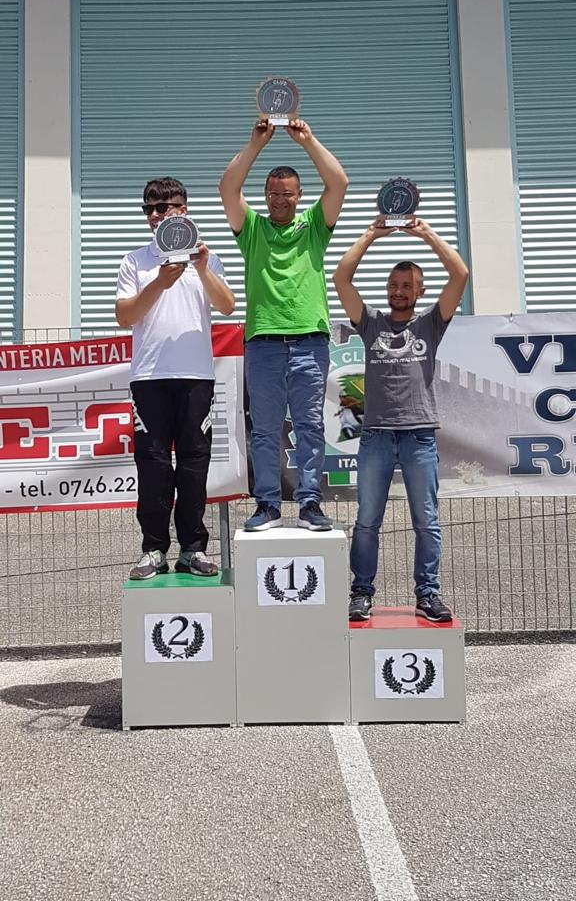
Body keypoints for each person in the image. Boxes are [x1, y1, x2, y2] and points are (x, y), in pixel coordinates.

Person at [333, 216, 469, 622]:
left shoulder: (430, 323)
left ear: (420, 291)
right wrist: (371, 234)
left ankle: (427, 595)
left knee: (426, 522)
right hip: (375, 434)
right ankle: (361, 593)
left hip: (419, 435)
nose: (399, 291)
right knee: (366, 521)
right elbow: (341, 278)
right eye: (394, 285)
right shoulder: (371, 323)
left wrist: (425, 233)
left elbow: (460, 274)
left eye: (407, 286)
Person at [219, 118, 348, 532]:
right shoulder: (253, 230)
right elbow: (227, 188)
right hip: (263, 343)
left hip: (310, 342)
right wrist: (255, 144)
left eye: (287, 194)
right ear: (265, 196)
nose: (279, 200)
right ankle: (268, 505)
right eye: (273, 193)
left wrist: (307, 140)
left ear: (299, 196)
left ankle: (309, 503)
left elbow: (339, 183)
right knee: (265, 430)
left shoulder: (314, 227)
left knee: (310, 426)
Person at [116, 177, 235, 580]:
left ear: (182, 209)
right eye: (149, 209)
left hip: (196, 376)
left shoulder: (207, 258)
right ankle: (153, 549)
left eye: (164, 207)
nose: (156, 215)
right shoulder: (136, 260)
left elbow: (227, 305)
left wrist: (200, 266)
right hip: (149, 377)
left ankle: (193, 549)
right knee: (152, 465)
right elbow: (125, 316)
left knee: (193, 465)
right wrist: (159, 281)